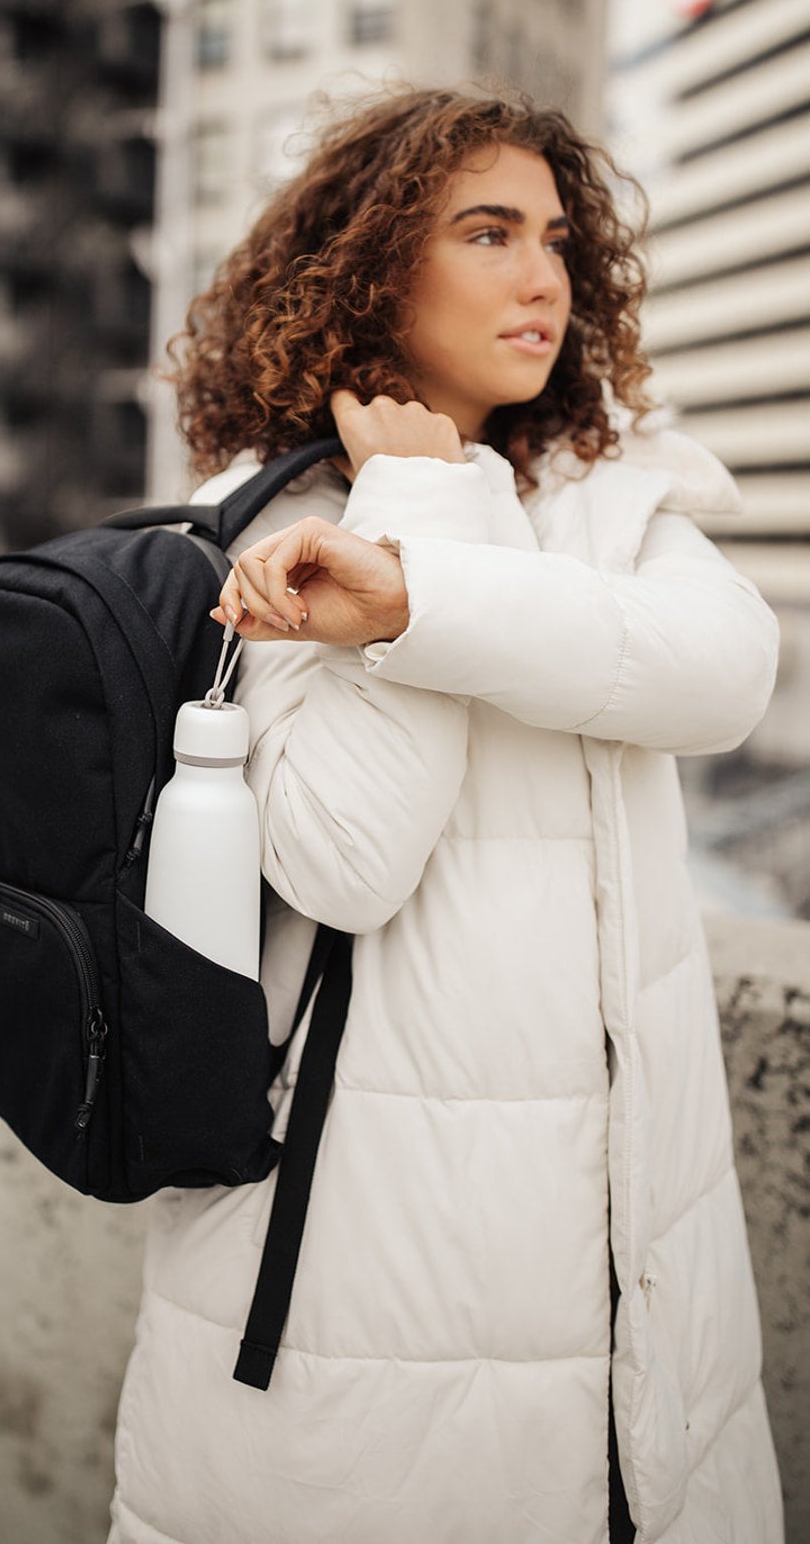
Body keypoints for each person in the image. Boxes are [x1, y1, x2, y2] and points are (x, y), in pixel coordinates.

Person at [107, 87, 785, 1544]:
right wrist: (421, 495)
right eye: (487, 232)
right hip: (365, 1266)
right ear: (371, 266)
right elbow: (345, 859)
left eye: (554, 238)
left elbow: (723, 675)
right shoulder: (265, 519)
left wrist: (420, 585)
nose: (542, 275)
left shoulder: (618, 494)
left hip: (626, 1271)